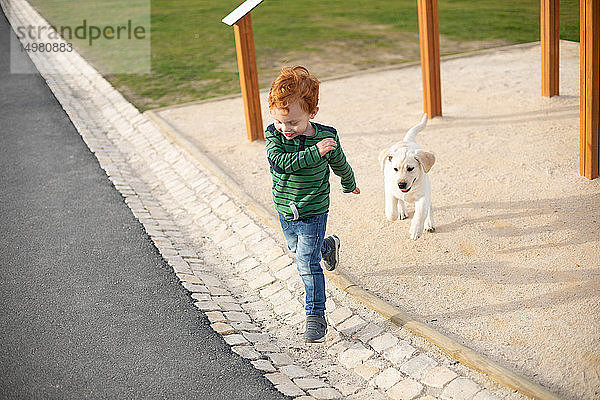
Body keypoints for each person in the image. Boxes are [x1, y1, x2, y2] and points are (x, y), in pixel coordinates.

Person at [265, 65, 360, 343]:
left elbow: (339, 162)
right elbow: (281, 165)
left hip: (314, 210)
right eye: (280, 121)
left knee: (306, 264)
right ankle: (328, 246)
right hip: (285, 210)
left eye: (293, 123)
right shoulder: (274, 136)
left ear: (312, 113)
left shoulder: (326, 136)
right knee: (297, 250)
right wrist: (313, 152)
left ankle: (315, 315)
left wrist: (348, 182)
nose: (286, 129)